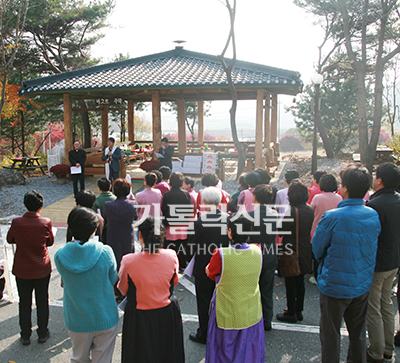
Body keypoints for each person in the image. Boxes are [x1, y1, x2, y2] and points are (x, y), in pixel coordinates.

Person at [313, 164, 381, 363]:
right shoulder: (372, 214)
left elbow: (318, 249)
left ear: (345, 189)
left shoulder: (332, 217)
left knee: (331, 334)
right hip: (361, 283)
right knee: (358, 333)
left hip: (334, 285)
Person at [55, 207, 119, 363]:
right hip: (105, 315)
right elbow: (113, 279)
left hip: (77, 318)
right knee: (103, 359)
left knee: (78, 358)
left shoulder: (60, 256)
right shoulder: (105, 252)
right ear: (94, 230)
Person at [117, 216, 185, 363]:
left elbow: (123, 289)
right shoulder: (171, 255)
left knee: (139, 354)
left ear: (140, 236)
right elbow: (174, 281)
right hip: (167, 312)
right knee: (167, 353)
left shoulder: (128, 260)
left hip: (139, 316)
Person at [205, 215, 265, 362]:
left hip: (227, 307)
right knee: (248, 346)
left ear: (230, 231)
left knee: (224, 346)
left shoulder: (221, 254)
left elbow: (210, 273)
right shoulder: (257, 249)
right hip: (251, 307)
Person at [7, 191, 54, 345]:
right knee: (42, 300)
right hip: (41, 267)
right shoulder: (45, 222)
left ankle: (25, 334)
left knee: (24, 301)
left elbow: (10, 238)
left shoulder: (17, 222)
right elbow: (50, 242)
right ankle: (42, 332)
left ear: (25, 205)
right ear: (41, 206)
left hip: (22, 267)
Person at [365, 163, 400, 363]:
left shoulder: (375, 206)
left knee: (373, 307)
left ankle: (376, 352)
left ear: (380, 181)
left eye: (376, 175)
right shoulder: (398, 200)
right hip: (394, 262)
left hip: (378, 263)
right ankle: (388, 349)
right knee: (386, 303)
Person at [189, 187, 230, 344]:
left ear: (204, 202)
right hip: (225, 264)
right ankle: (222, 332)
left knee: (204, 301)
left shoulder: (199, 222)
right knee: (223, 300)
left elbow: (191, 245)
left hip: (203, 266)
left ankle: (204, 333)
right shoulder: (229, 219)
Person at [276, 180, 314, 323]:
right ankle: (299, 311)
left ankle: (291, 312)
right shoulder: (310, 209)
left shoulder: (292, 211)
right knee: (301, 282)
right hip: (305, 249)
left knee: (290, 282)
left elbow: (281, 231)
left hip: (291, 250)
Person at [247, 184, 278, 331]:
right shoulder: (275, 214)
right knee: (267, 289)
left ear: (255, 197)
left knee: (251, 289)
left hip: (253, 254)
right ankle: (267, 320)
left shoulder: (249, 215)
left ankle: (252, 318)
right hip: (270, 253)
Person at [309, 174, 342, 285]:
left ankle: (316, 277)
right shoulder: (339, 198)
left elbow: (311, 211)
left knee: (317, 254)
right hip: (334, 230)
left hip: (317, 229)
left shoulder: (317, 198)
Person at [103, 178, 137, 270]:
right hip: (127, 236)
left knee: (113, 260)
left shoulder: (108, 205)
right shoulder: (133, 204)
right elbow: (135, 218)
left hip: (112, 235)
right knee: (127, 259)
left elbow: (105, 218)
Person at [162, 171, 192, 270]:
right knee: (182, 244)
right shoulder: (186, 194)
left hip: (171, 223)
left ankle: (172, 264)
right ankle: (182, 264)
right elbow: (189, 209)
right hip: (183, 223)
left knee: (172, 245)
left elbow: (164, 209)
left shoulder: (167, 195)